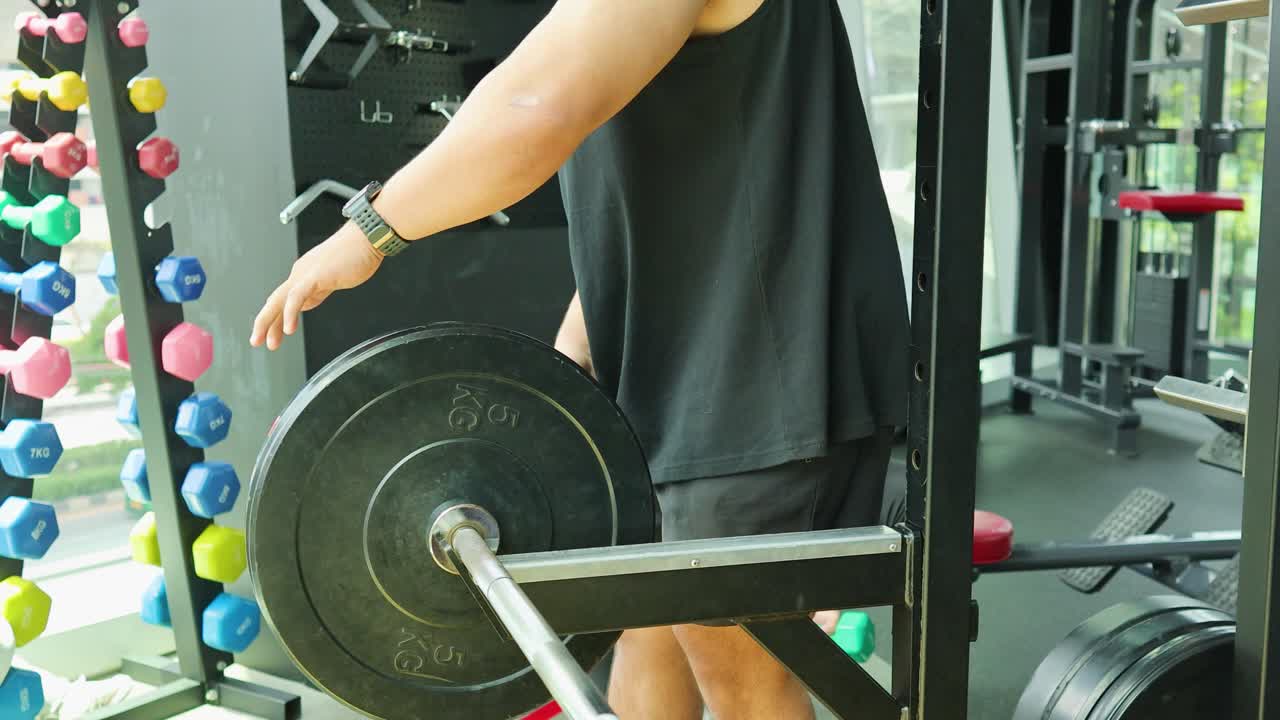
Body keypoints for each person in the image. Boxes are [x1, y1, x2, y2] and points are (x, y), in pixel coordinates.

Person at [250, 0, 908, 717]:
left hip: (755, 379)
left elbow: (533, 110)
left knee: (741, 673)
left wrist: (368, 231)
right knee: (646, 624)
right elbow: (679, 187)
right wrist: (581, 344)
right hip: (689, 368)